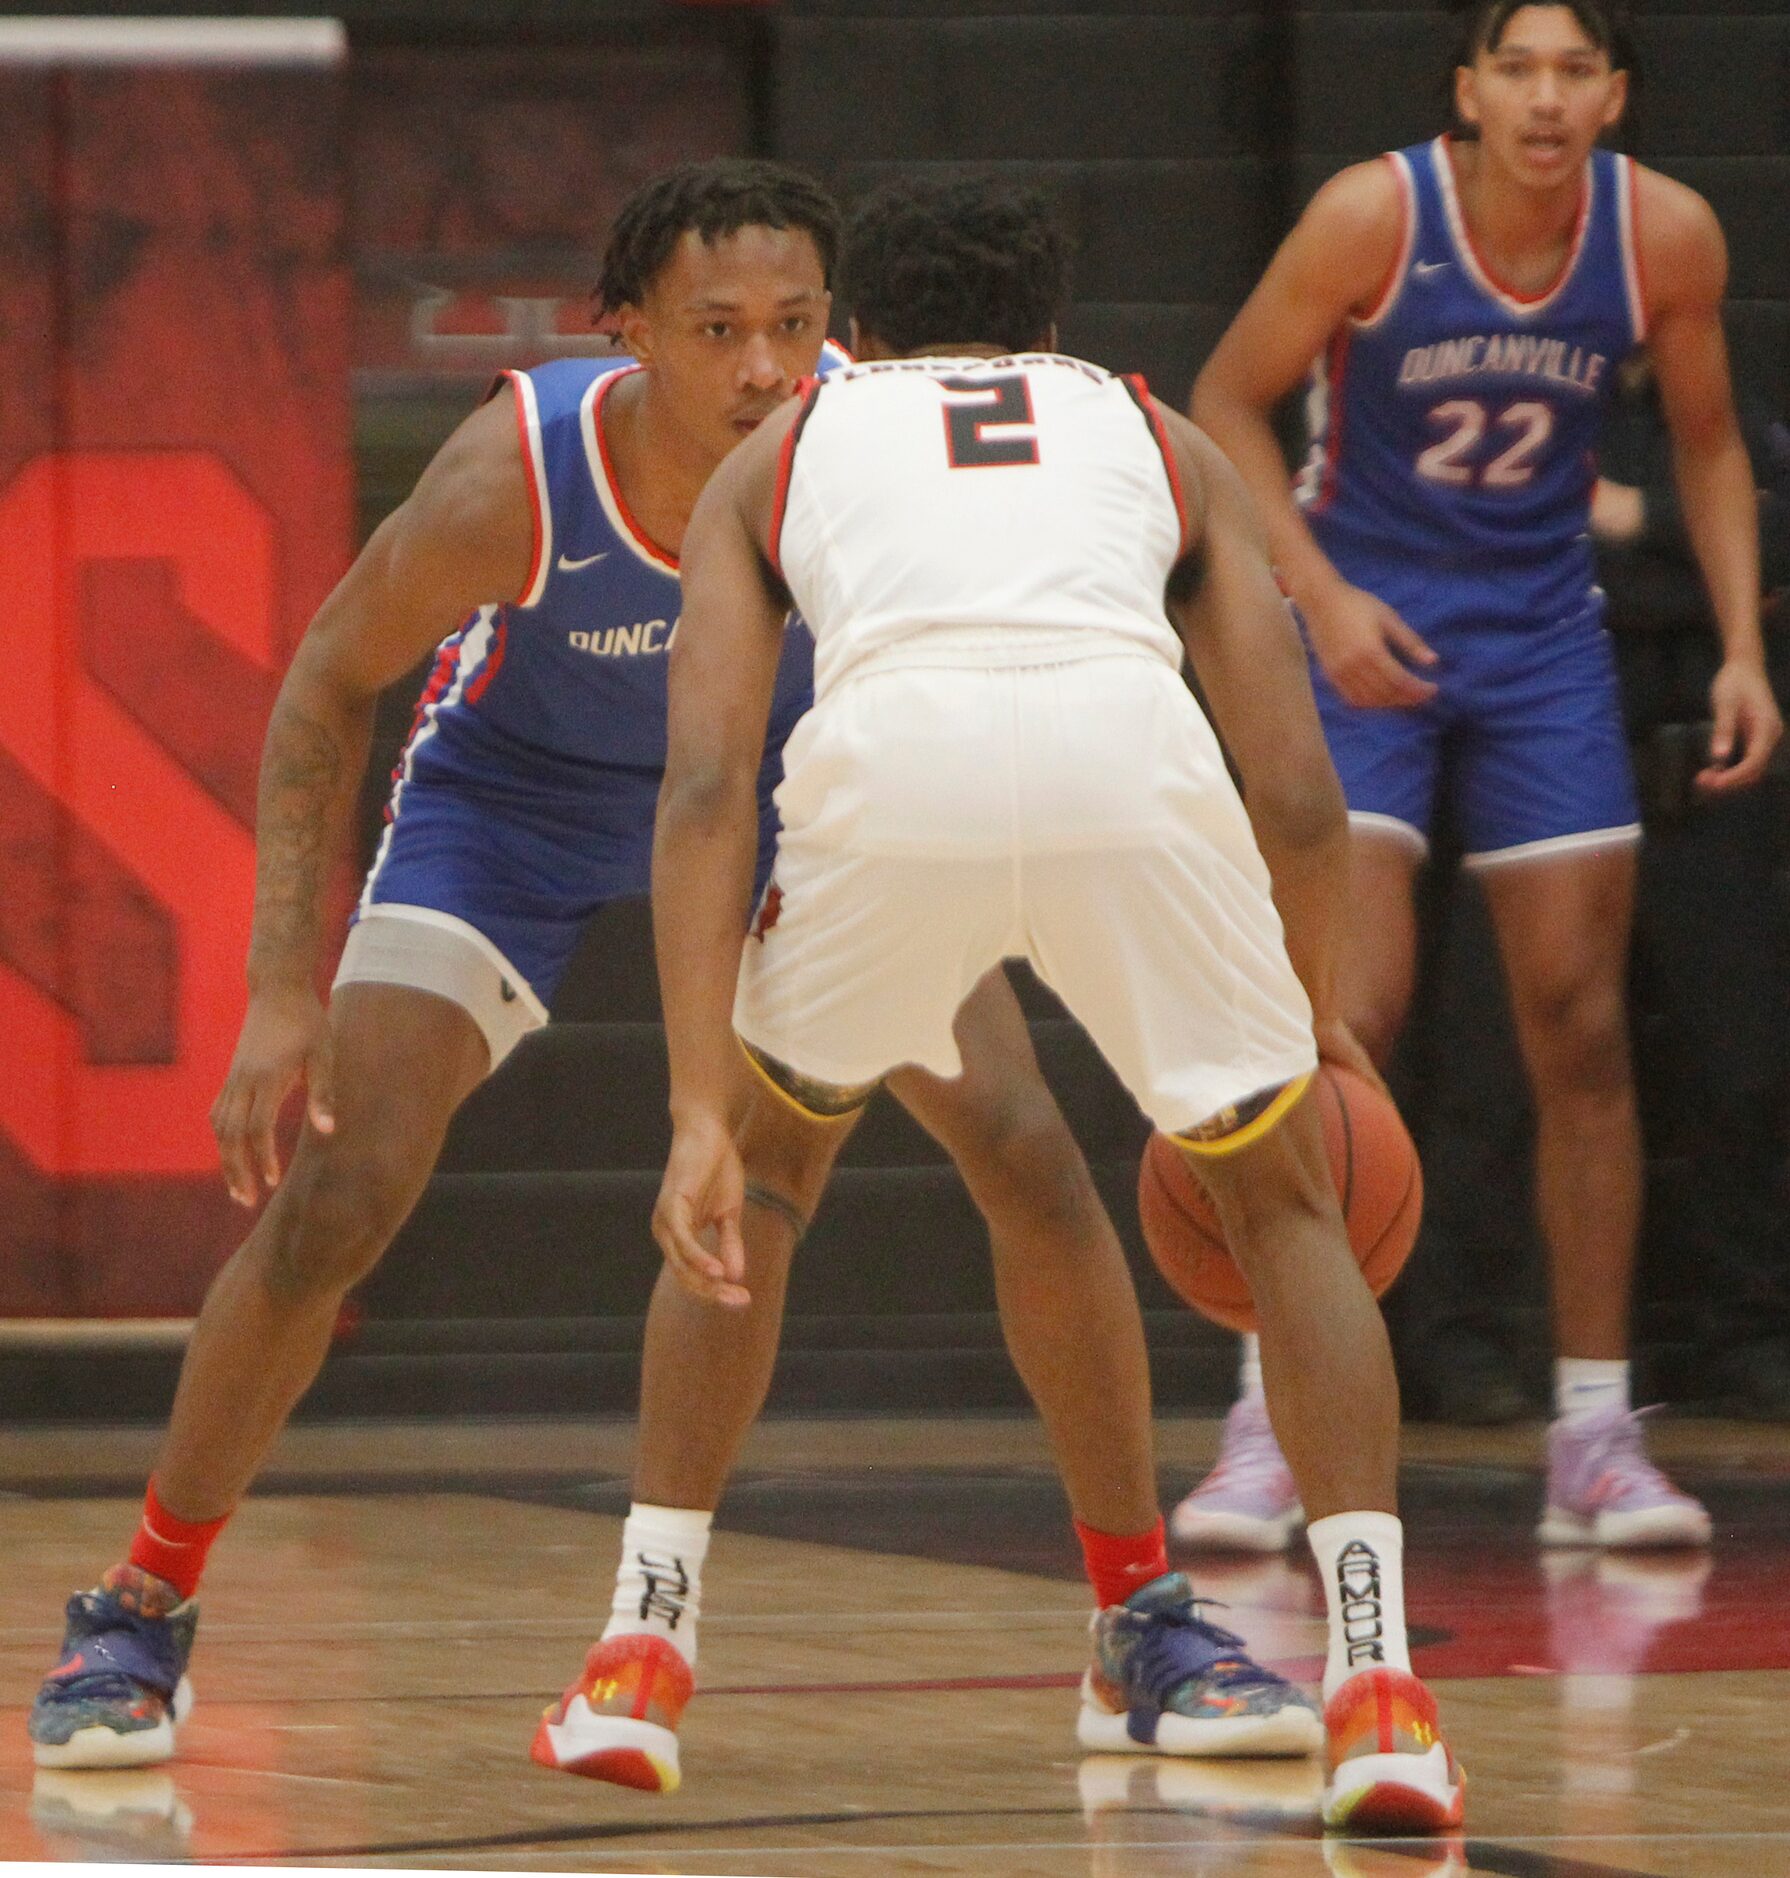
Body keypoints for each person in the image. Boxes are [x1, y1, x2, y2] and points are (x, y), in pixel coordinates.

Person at [27, 159, 1310, 1786]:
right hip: (515, 805)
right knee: (341, 1193)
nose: (767, 365)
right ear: (627, 330)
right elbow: (324, 684)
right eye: (718, 329)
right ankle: (141, 1604)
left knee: (1029, 1149)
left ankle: (1140, 1617)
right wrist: (284, 984)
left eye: (794, 324)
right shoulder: (519, 474)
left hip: (776, 806)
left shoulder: (860, 437)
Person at [646, 174, 1463, 1834]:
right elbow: (1301, 796)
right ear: (1053, 331)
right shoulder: (1154, 437)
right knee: (1285, 1196)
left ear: (850, 335)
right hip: (1126, 768)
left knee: (769, 1182)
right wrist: (1311, 1025)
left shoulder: (785, 445)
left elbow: (706, 786)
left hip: (896, 781)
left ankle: (638, 1644)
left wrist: (688, 1108)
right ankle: (1376, 1682)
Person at [1175, 0, 1781, 1554]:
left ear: (1615, 95)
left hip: (1537, 641)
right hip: (1363, 631)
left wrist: (1735, 647)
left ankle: (1591, 1429)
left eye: (1575, 69)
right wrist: (1316, 597)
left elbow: (1707, 442)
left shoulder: (1662, 234)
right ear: (1465, 89)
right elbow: (1224, 400)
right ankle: (1265, 1417)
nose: (1544, 95)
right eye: (1516, 65)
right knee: (1346, 1012)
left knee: (1578, 1021)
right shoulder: (1374, 213)